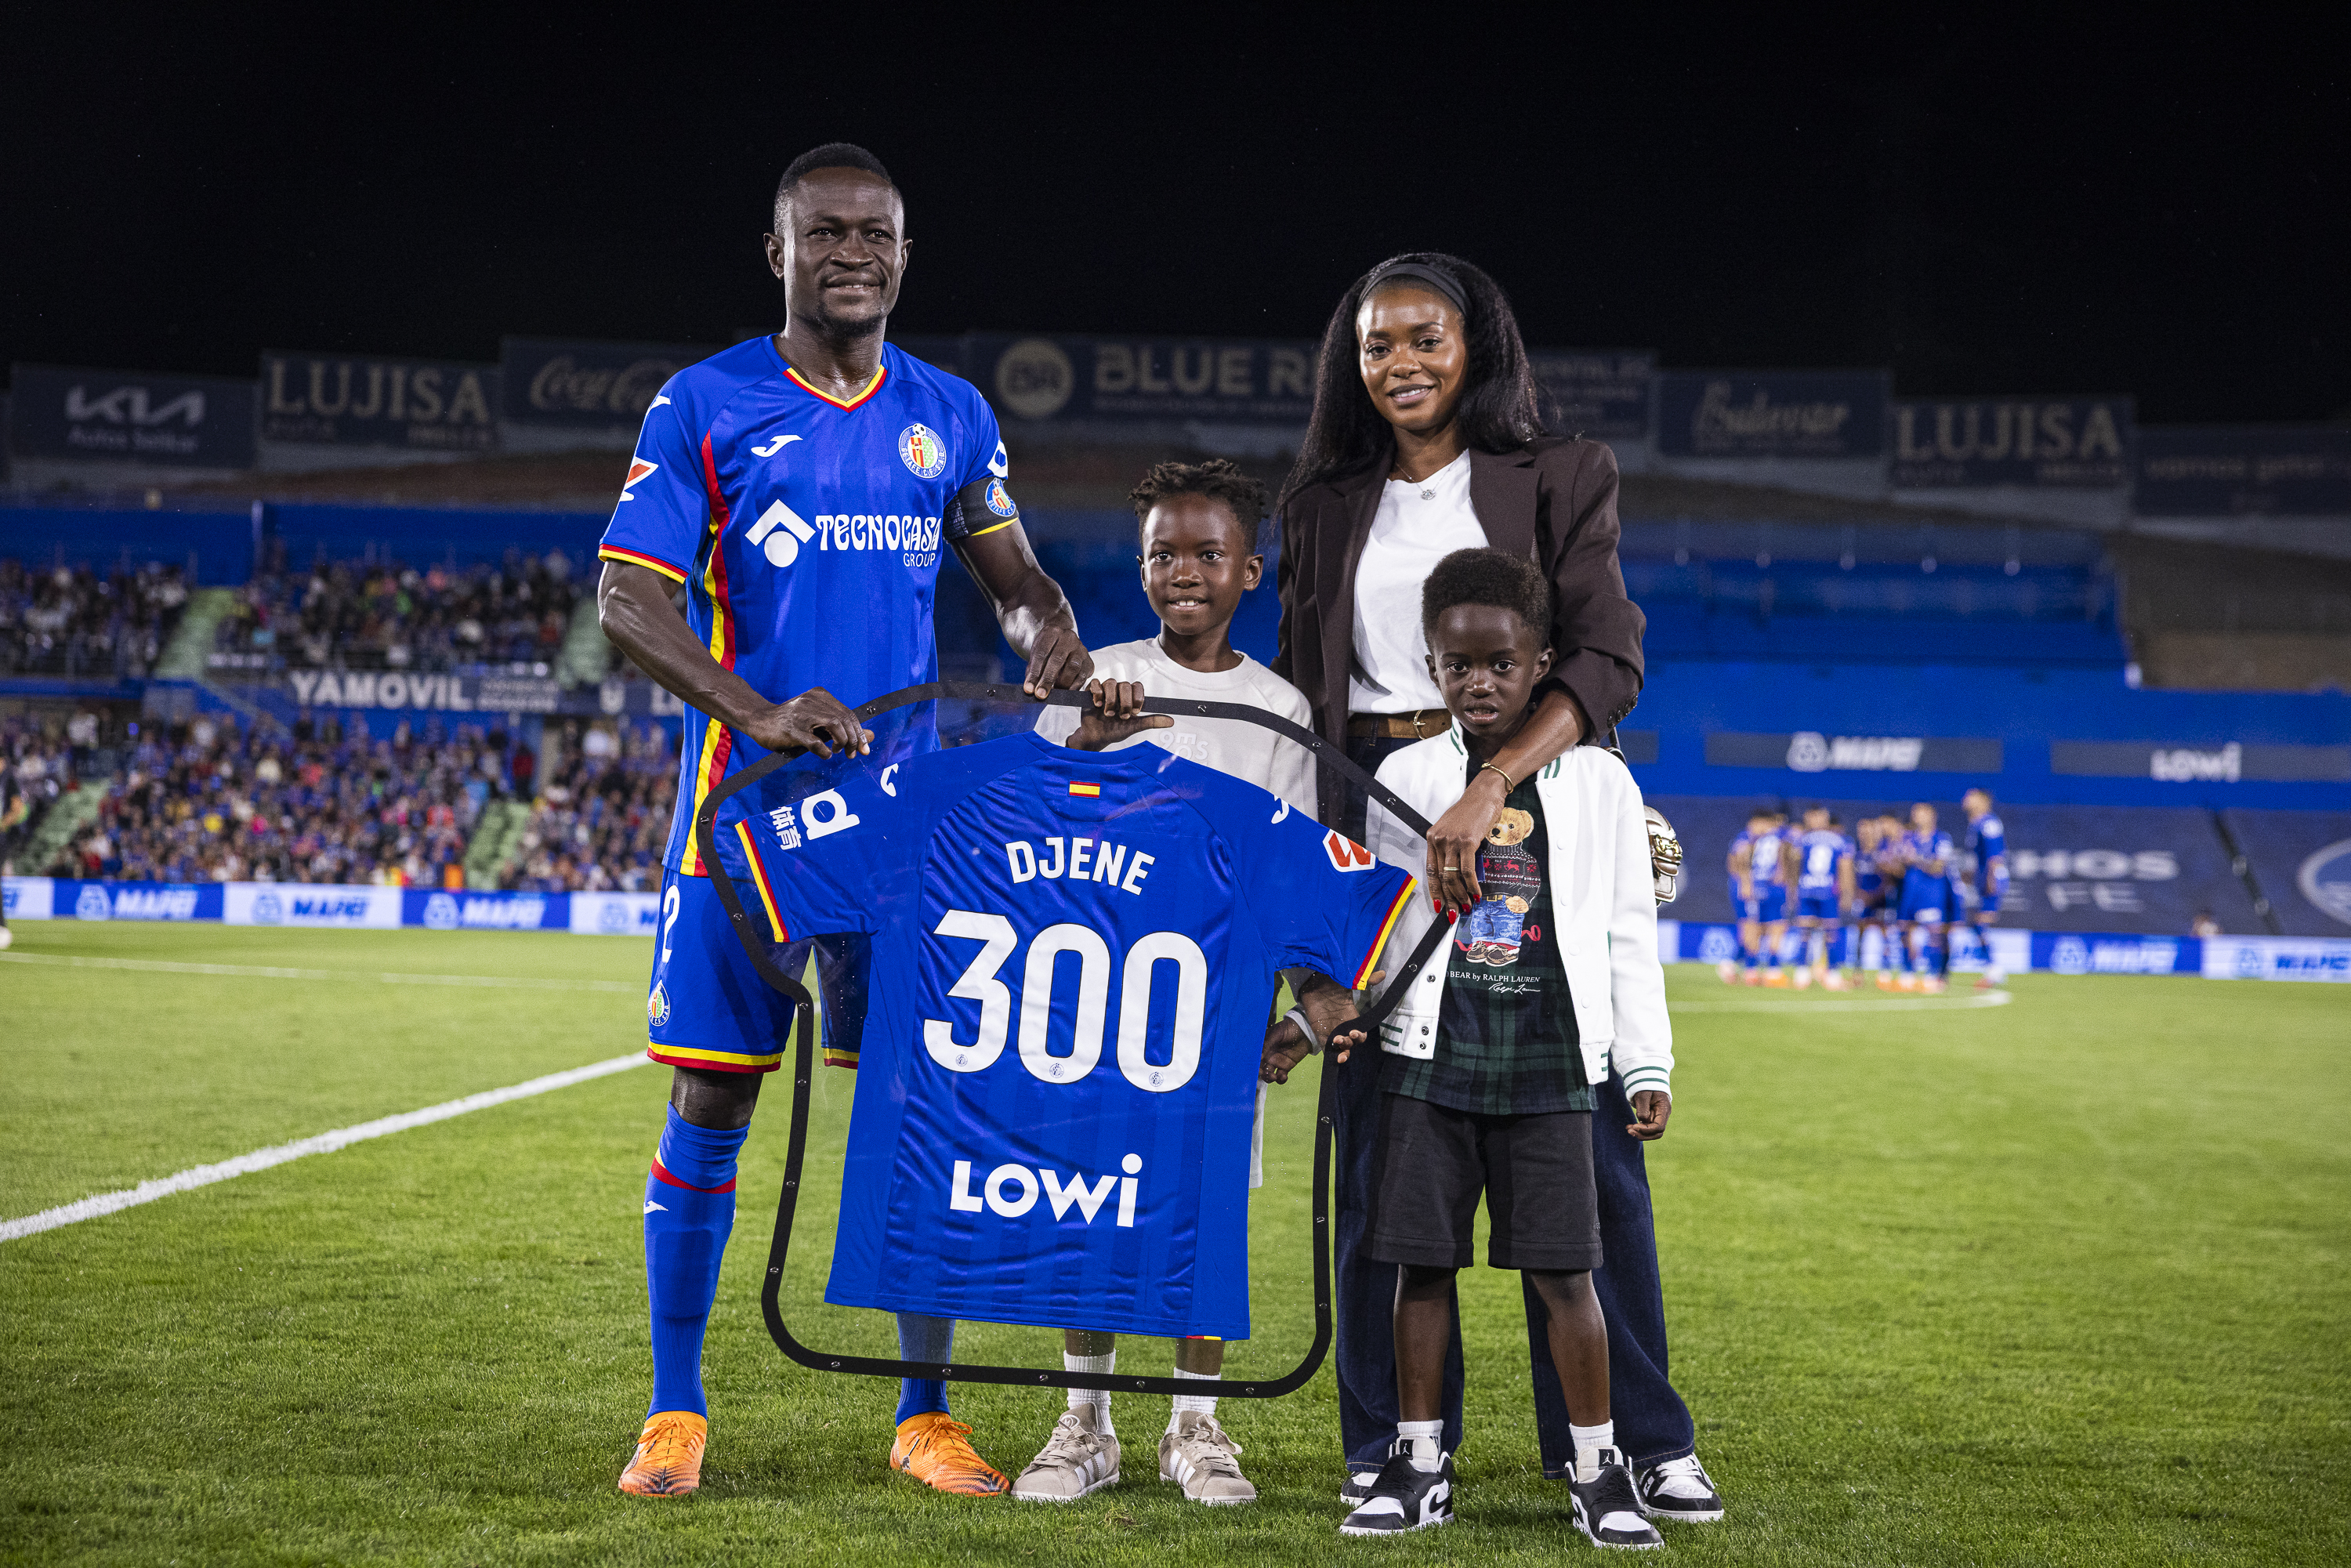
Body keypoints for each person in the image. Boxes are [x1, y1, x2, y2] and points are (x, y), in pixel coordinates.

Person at [597, 142, 1094, 1501]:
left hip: (904, 832)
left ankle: (925, 1413)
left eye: (876, 234)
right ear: (780, 251)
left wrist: (1047, 636)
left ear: (905, 254)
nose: (853, 254)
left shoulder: (951, 411)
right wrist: (749, 709)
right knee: (711, 1096)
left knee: (919, 1112)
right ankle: (675, 1409)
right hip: (745, 822)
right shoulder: (703, 404)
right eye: (825, 234)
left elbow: (1017, 579)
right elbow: (628, 603)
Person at [1272, 252, 1719, 1523]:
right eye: (1376, 345)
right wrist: (1316, 910)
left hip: (1526, 801)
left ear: (1480, 348)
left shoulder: (1560, 474)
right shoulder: (1320, 501)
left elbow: (1608, 655)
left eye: (1427, 339)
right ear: (1349, 364)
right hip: (1376, 821)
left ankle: (1634, 1437)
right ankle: (1397, 1450)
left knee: (1588, 1173)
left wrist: (1491, 781)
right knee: (1385, 1161)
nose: (1402, 363)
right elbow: (1308, 704)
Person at [1335, 548, 1669, 1546]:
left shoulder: (1603, 779)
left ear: (1544, 663)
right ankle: (1419, 1461)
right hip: (1430, 1060)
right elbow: (1383, 918)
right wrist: (1356, 1009)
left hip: (1553, 1067)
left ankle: (1598, 1469)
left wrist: (1645, 1064)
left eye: (1501, 664)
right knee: (1418, 1267)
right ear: (1430, 667)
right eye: (1456, 665)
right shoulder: (1404, 773)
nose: (1478, 683)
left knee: (1567, 1275)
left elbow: (1625, 931)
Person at [1013, 458, 1317, 1506]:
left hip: (1216, 1002)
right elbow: (1033, 824)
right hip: (1100, 997)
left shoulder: (1280, 707)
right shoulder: (1098, 674)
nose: (1183, 571)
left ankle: (1195, 1424)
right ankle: (1085, 1422)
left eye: (1207, 554)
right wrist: (1085, 741)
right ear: (1139, 568)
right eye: (1163, 555)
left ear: (1251, 571)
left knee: (1201, 1217)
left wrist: (1290, 1006)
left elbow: (1290, 869)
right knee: (1091, 1209)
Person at [1789, 805, 1854, 990]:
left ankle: (1831, 972)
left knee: (1830, 932)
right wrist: (1793, 888)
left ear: (1826, 818)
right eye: (1813, 817)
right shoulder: (1804, 839)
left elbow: (1845, 867)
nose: (1816, 820)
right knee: (1805, 930)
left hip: (1828, 891)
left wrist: (1847, 892)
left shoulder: (1836, 841)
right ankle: (1802, 971)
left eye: (1819, 817)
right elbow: (1795, 865)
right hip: (1808, 889)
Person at [1893, 803, 1956, 994]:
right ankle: (1907, 974)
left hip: (1931, 893)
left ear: (1932, 816)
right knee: (1905, 931)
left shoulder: (1942, 839)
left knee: (1934, 934)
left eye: (1921, 813)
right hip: (1909, 891)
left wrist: (1916, 859)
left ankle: (1932, 975)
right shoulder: (1907, 839)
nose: (1916, 816)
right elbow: (1898, 865)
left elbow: (1939, 868)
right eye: (1915, 813)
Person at [1959, 788, 2009, 988]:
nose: (1965, 799)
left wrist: (1990, 881)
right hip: (1983, 879)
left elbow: (1995, 857)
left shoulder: (1989, 823)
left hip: (1992, 880)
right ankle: (1992, 969)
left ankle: (1994, 970)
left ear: (1982, 800)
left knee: (1980, 925)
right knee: (1978, 926)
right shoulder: (1976, 824)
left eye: (1970, 796)